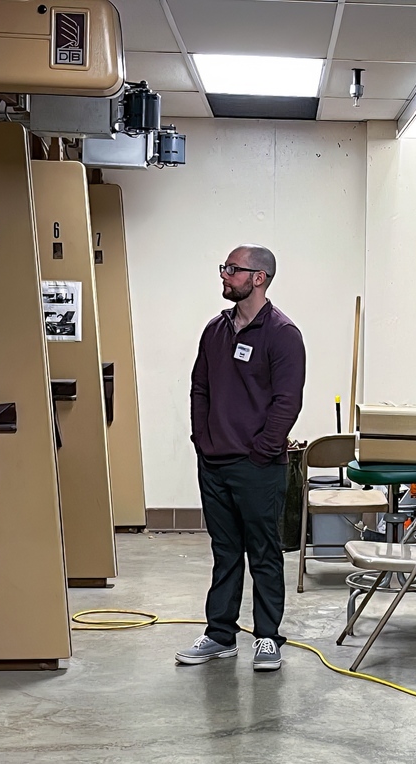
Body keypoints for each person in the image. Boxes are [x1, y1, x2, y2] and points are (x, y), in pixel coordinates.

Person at [177, 244, 306, 672]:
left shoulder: (282, 334)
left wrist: (261, 452)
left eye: (234, 269)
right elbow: (200, 388)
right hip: (213, 462)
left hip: (257, 466)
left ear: (259, 278)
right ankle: (220, 635)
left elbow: (287, 403)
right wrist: (202, 439)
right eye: (225, 268)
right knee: (225, 550)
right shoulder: (215, 330)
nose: (225, 275)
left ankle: (268, 637)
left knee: (264, 552)